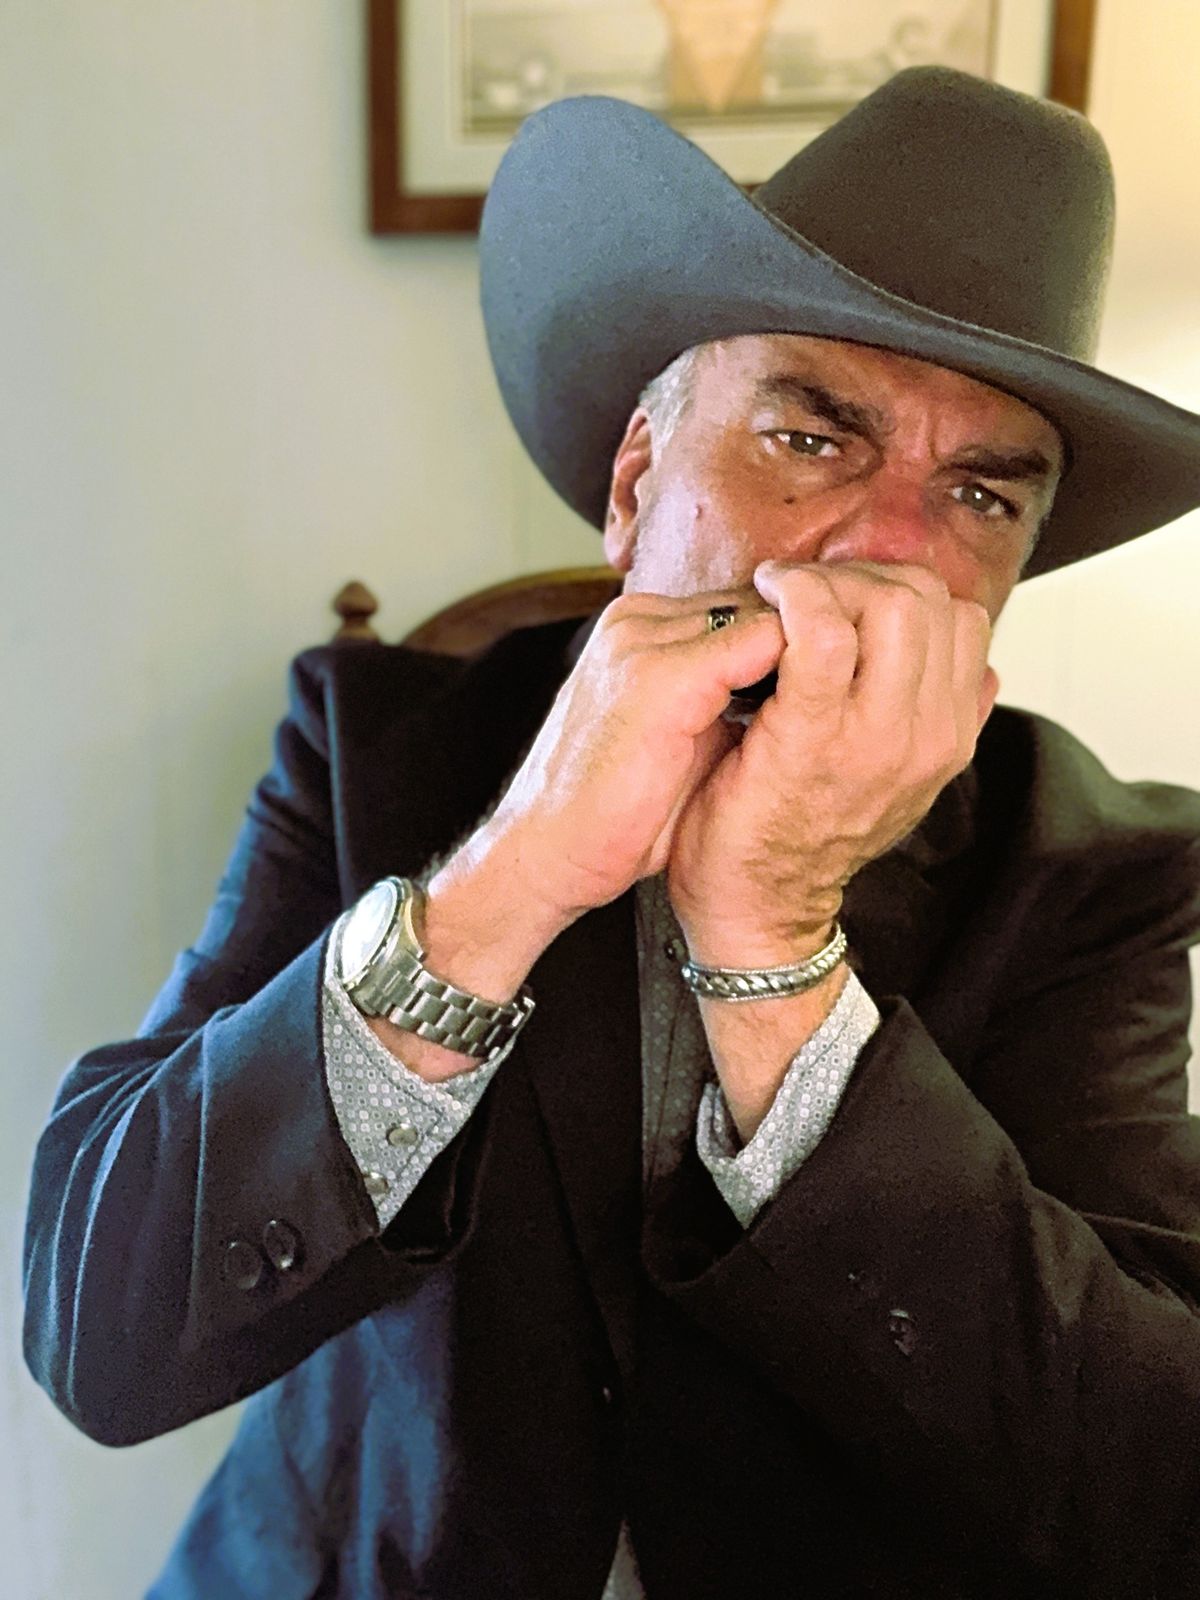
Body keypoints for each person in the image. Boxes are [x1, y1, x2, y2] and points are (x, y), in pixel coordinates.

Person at [22, 66, 1200, 1600]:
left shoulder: (1097, 871)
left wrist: (776, 940)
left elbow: (1148, 1506)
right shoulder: (377, 746)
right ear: (639, 482)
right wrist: (508, 881)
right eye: (811, 439)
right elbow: (101, 1335)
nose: (891, 554)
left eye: (980, 496)